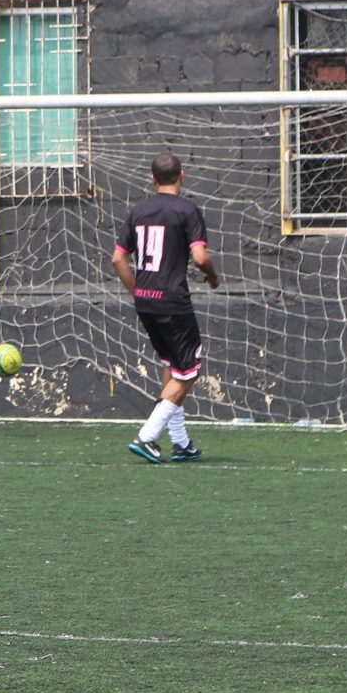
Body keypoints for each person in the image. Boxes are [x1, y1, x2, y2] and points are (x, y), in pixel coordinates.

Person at [110, 152, 219, 464]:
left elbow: (118, 258)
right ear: (182, 176)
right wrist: (212, 275)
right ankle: (147, 436)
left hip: (147, 301)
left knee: (172, 364)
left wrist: (137, 291)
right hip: (173, 300)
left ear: (152, 178)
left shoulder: (138, 210)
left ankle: (181, 443)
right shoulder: (188, 210)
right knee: (189, 372)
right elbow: (199, 257)